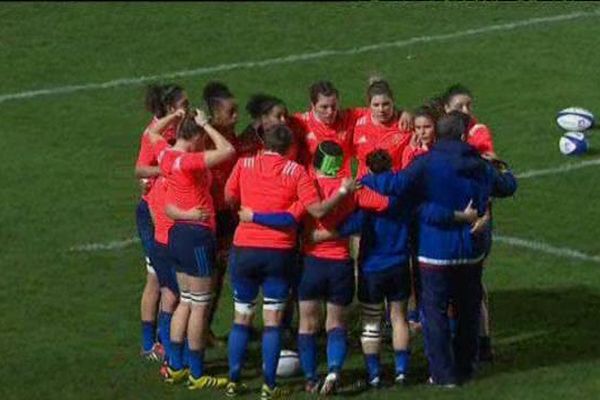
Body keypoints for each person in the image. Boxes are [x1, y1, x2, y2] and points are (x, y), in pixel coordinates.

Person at [360, 113, 517, 386]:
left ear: (439, 134)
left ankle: (443, 374)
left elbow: (395, 186)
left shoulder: (425, 163)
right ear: (463, 135)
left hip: (435, 253)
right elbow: (507, 186)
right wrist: (503, 168)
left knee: (435, 314)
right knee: (468, 311)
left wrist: (366, 179)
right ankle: (466, 368)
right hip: (471, 251)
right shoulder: (479, 165)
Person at [312, 149, 478, 388]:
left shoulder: (363, 191)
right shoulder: (403, 190)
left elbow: (354, 223)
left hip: (371, 266)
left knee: (371, 319)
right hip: (399, 263)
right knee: (399, 318)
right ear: (391, 166)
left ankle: (374, 374)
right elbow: (420, 210)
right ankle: (401, 372)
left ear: (368, 168)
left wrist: (323, 235)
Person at [242, 141, 389, 395]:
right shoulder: (351, 187)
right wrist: (343, 228)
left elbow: (291, 218)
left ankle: (311, 379)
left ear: (316, 162)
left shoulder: (306, 184)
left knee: (307, 325)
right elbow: (381, 205)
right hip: (340, 265)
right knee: (336, 324)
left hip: (311, 264)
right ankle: (333, 371)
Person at [223, 125, 357, 399]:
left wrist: (251, 214)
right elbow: (294, 217)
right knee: (272, 321)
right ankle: (269, 386)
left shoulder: (243, 163)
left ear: (264, 144)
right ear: (291, 148)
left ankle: (234, 380)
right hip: (278, 254)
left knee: (242, 318)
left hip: (244, 249)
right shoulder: (297, 173)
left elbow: (229, 197)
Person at [148, 109, 235, 389]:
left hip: (175, 236)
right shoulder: (189, 162)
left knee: (185, 300)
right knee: (199, 305)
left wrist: (174, 116)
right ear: (195, 137)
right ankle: (197, 373)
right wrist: (206, 125)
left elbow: (151, 133)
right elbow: (227, 150)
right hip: (196, 238)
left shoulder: (165, 155)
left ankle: (175, 365)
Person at [134, 83, 188, 361]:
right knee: (158, 281)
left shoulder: (180, 129)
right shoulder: (154, 132)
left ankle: (161, 341)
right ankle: (151, 343)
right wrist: (166, 168)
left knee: (164, 281)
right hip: (153, 214)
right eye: (184, 104)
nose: (188, 108)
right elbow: (140, 169)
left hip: (167, 209)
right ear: (170, 108)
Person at [201, 82, 240, 346]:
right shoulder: (206, 141)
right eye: (231, 112)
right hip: (210, 216)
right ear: (214, 115)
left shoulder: (232, 138)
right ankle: (196, 331)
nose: (236, 116)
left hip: (229, 215)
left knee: (220, 275)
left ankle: (205, 330)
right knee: (206, 280)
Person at [353, 78, 413, 178]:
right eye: (376, 105)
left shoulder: (405, 125)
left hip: (391, 189)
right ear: (369, 105)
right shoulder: (357, 120)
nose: (381, 110)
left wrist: (405, 113)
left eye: (385, 104)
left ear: (393, 102)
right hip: (364, 189)